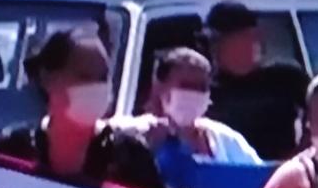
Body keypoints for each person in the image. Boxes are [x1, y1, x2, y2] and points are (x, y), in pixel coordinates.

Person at [0, 28, 196, 188]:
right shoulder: (13, 149)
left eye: (102, 78)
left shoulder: (130, 155)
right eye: (84, 76)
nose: (96, 87)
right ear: (49, 79)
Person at [110, 47, 262, 165]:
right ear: (161, 88)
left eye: (201, 88)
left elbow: (259, 180)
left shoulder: (226, 139)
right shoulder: (134, 133)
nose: (194, 93)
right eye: (186, 86)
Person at [203, 1, 310, 161]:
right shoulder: (205, 87)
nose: (215, 47)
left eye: (223, 40)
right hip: (227, 175)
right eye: (212, 41)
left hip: (282, 175)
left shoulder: (286, 78)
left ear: (253, 37)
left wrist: (301, 153)